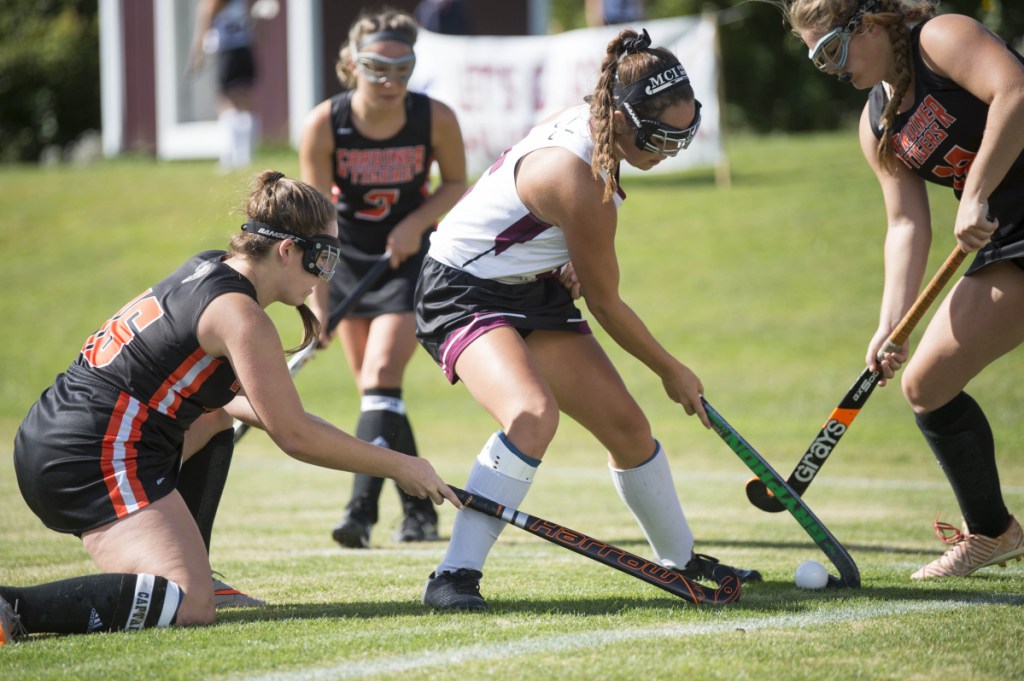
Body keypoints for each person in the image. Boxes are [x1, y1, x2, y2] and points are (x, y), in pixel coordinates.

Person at [0, 170, 460, 644]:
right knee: (189, 604)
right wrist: (400, 465)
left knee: (214, 414)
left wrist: (330, 435)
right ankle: (15, 607)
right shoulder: (241, 316)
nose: (327, 274)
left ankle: (193, 566)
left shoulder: (208, 268)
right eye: (324, 257)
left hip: (59, 433)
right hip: (88, 453)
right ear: (287, 250)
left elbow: (252, 408)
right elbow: (294, 435)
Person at [413, 28, 761, 610]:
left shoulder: (599, 127)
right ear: (621, 119)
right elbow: (605, 304)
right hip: (461, 290)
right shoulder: (582, 180)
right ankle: (452, 576)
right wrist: (671, 370)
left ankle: (681, 561)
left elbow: (555, 240)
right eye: (660, 137)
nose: (669, 150)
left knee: (627, 429)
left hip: (531, 287)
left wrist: (563, 254)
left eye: (686, 133)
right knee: (531, 414)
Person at [782, 0, 1024, 578]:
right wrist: (893, 322)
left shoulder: (940, 40)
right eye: (819, 62)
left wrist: (975, 192)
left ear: (867, 25)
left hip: (992, 218)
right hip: (1006, 235)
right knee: (926, 384)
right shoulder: (877, 123)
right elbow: (906, 223)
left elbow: (1015, 92)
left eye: (832, 51)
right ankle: (993, 533)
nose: (833, 69)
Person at [299, 9, 467, 549]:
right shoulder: (326, 123)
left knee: (379, 376)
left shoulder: (433, 117)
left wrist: (417, 223)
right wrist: (318, 300)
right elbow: (317, 218)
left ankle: (360, 513)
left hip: (411, 264)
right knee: (379, 395)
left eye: (403, 67)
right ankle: (420, 513)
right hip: (348, 264)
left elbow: (457, 182)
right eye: (377, 67)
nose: (391, 80)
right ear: (352, 64)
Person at [188, 0, 262, 171]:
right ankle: (246, 155)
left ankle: (231, 157)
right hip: (245, 52)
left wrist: (196, 56)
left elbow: (203, 27)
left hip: (228, 53)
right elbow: (257, 30)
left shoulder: (213, 3)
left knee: (227, 103)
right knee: (246, 103)